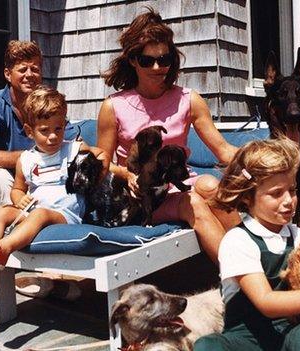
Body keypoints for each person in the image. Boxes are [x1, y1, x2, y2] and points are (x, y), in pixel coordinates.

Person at [97, 8, 240, 263]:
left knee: (209, 184)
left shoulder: (189, 100)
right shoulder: (113, 107)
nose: (157, 67)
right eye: (147, 60)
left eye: (164, 60)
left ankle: (259, 261)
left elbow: (224, 151)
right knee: (193, 202)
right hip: (142, 197)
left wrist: (265, 162)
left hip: (179, 184)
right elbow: (103, 164)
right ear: (132, 60)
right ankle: (244, 280)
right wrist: (127, 174)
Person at [193, 138, 300, 350]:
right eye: (276, 193)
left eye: (292, 190)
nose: (288, 201)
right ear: (247, 197)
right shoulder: (238, 241)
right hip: (244, 341)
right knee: (207, 345)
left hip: (287, 335)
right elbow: (265, 301)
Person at [0, 87, 107, 283]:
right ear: (30, 131)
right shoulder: (26, 159)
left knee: (40, 214)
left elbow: (101, 154)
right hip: (34, 211)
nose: (53, 136)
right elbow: (18, 189)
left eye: (58, 128)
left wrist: (98, 173)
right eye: (44, 130)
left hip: (65, 215)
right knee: (2, 211)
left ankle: (2, 249)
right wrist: (19, 199)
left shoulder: (74, 149)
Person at [0, 40, 77, 206]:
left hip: (33, 181)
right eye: (22, 69)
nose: (29, 75)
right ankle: (17, 223)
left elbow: (71, 143)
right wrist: (33, 157)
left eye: (34, 69)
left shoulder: (45, 107)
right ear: (8, 74)